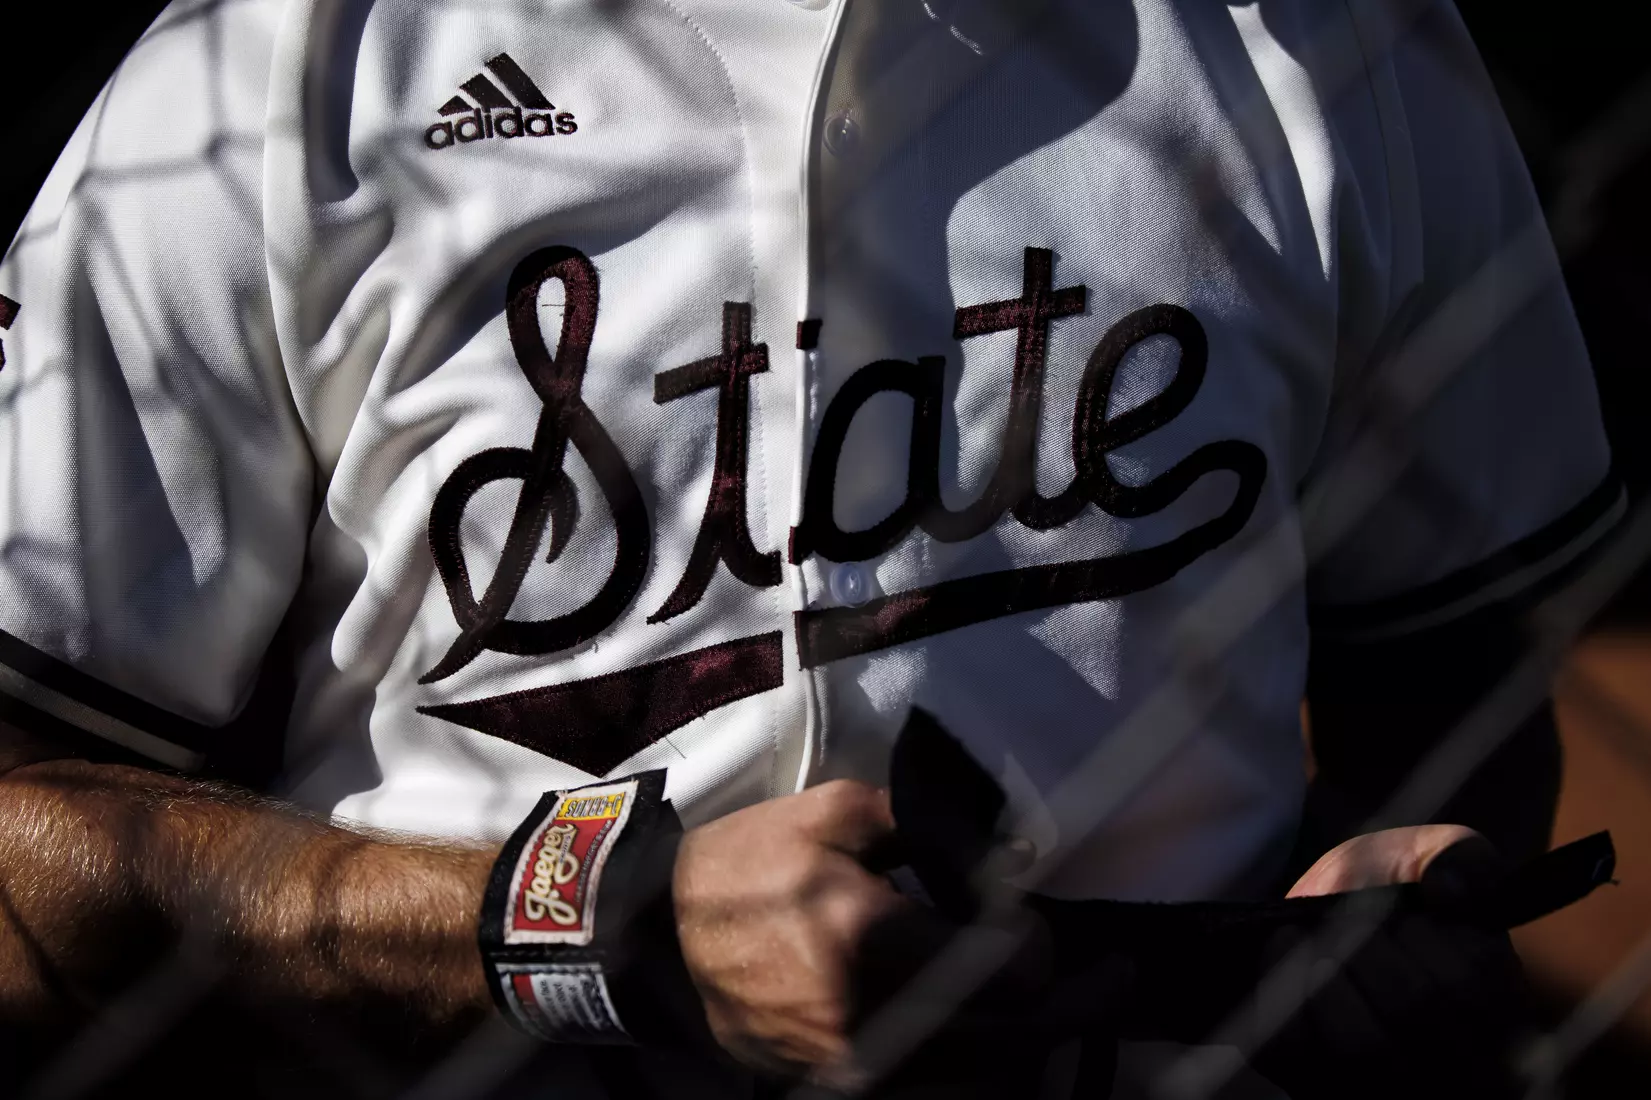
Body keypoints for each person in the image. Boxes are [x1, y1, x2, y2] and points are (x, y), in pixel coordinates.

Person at [0, 0, 1620, 1095]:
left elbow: (1458, 694)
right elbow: (22, 846)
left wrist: (1372, 917)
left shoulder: (1328, 46)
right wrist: (586, 929)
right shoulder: (277, 69)